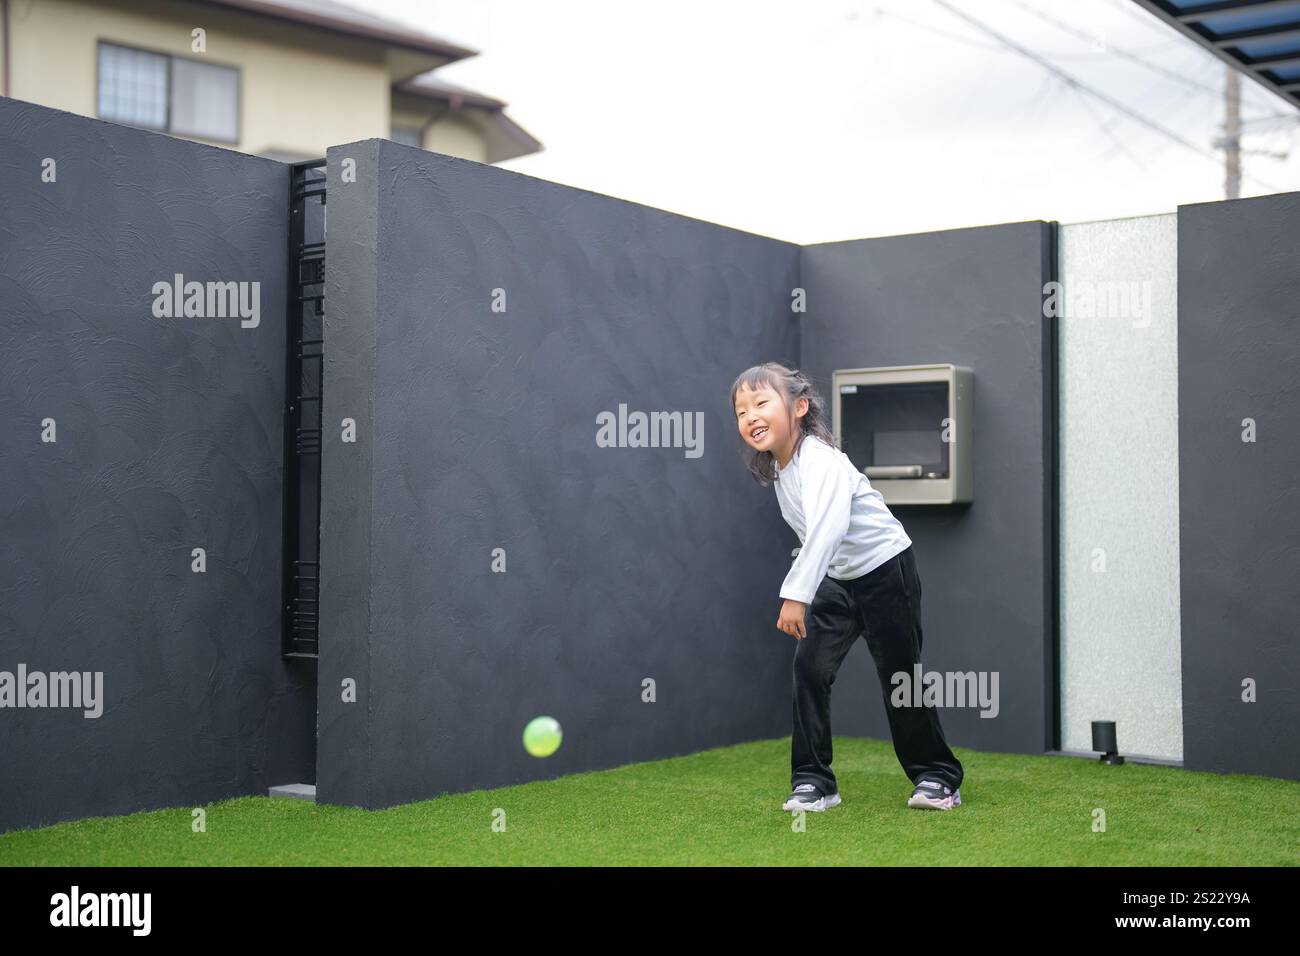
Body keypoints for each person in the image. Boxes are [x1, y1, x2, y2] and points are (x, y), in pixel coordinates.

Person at [730, 361, 965, 812]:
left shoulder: (820, 458)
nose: (750, 417)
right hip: (838, 580)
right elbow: (814, 537)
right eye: (741, 411)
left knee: (901, 677)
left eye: (761, 403)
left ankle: (938, 778)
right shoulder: (783, 469)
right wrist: (811, 584)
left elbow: (829, 526)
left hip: (885, 571)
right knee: (809, 671)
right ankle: (815, 782)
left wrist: (796, 593)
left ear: (798, 407)